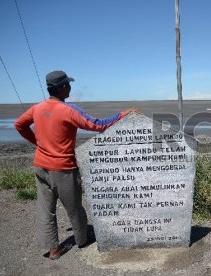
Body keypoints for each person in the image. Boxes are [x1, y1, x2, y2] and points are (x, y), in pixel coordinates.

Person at [14, 70, 138, 260]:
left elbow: (19, 125)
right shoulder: (69, 110)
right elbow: (97, 125)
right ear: (63, 87)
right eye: (68, 84)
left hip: (40, 166)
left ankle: (53, 249)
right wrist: (123, 114)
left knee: (46, 209)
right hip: (63, 168)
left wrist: (38, 143)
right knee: (74, 207)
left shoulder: (37, 108)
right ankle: (82, 240)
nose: (71, 87)